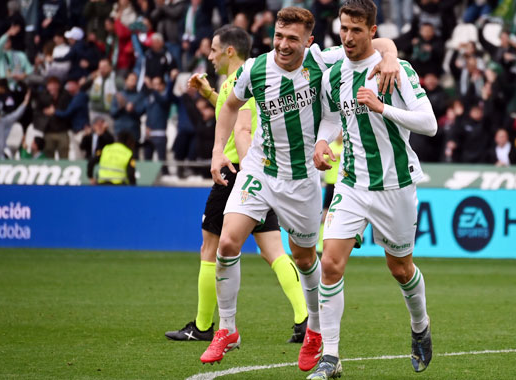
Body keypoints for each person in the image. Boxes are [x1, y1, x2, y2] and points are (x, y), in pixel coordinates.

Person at [203, 7, 401, 369]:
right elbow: (230, 105)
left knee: (306, 258)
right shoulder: (256, 69)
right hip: (260, 169)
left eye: (292, 38)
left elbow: (379, 42)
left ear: (308, 41)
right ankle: (227, 329)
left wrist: (390, 57)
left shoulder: (321, 61)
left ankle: (314, 329)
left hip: (302, 180)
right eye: (278, 36)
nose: (283, 44)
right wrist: (218, 151)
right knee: (228, 241)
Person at [310, 0, 435, 377]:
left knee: (400, 267)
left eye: (356, 30)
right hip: (351, 182)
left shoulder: (394, 70)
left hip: (395, 184)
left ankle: (420, 326)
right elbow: (333, 115)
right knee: (330, 262)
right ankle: (330, 357)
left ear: (372, 32)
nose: (348, 37)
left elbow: (428, 123)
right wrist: (322, 142)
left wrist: (382, 108)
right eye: (343, 28)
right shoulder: (333, 68)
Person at [163, 25, 309, 346]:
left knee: (210, 248)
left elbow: (240, 128)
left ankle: (203, 326)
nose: (210, 56)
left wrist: (243, 172)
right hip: (262, 174)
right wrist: (209, 95)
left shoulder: (241, 79)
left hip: (236, 173)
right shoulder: (258, 75)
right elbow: (236, 113)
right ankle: (303, 317)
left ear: (230, 51)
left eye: (214, 50)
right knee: (273, 250)